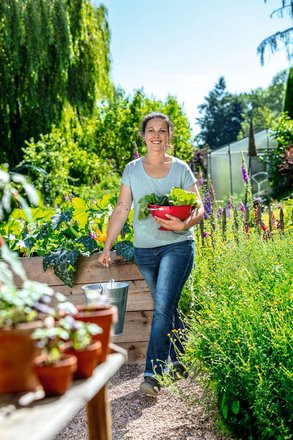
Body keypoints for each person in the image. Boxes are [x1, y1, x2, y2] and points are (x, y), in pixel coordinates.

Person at [98, 112, 204, 396]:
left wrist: (184, 223)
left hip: (178, 246)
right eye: (151, 130)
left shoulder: (181, 168)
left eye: (161, 130)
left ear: (169, 136)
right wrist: (107, 246)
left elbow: (200, 208)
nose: (156, 135)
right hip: (145, 251)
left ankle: (153, 375)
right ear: (143, 136)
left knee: (161, 308)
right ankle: (182, 359)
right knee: (166, 307)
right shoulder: (132, 169)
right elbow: (122, 208)